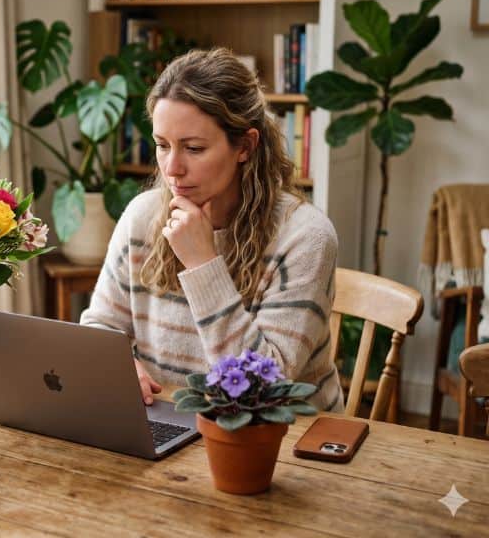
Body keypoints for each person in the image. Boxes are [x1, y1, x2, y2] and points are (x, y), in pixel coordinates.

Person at [80, 47, 343, 413]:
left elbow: (266, 389)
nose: (172, 169)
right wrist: (119, 365)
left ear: (245, 146)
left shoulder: (305, 237)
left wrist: (203, 264)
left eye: (193, 148)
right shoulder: (142, 216)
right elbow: (99, 326)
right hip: (168, 420)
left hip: (280, 435)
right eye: (162, 145)